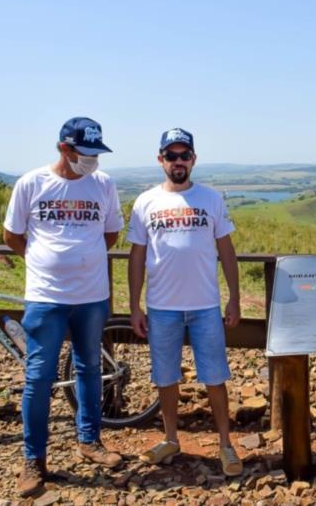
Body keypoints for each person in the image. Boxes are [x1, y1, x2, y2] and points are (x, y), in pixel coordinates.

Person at [3, 117, 125, 497]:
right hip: (45, 297)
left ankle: (89, 441)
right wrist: (44, 261)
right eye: (84, 154)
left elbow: (111, 231)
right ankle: (33, 460)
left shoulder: (103, 184)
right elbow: (12, 235)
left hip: (91, 296)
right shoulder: (32, 183)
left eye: (95, 154)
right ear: (63, 149)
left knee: (89, 366)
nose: (91, 161)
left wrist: (82, 260)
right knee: (38, 378)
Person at [127, 127, 243, 476]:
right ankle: (171, 439)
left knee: (215, 376)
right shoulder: (145, 202)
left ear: (193, 159)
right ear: (160, 159)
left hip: (206, 305)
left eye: (184, 155)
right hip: (162, 307)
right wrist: (134, 305)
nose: (178, 161)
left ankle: (225, 445)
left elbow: (226, 250)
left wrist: (234, 297)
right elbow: (137, 256)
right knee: (165, 377)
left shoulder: (211, 199)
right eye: (171, 156)